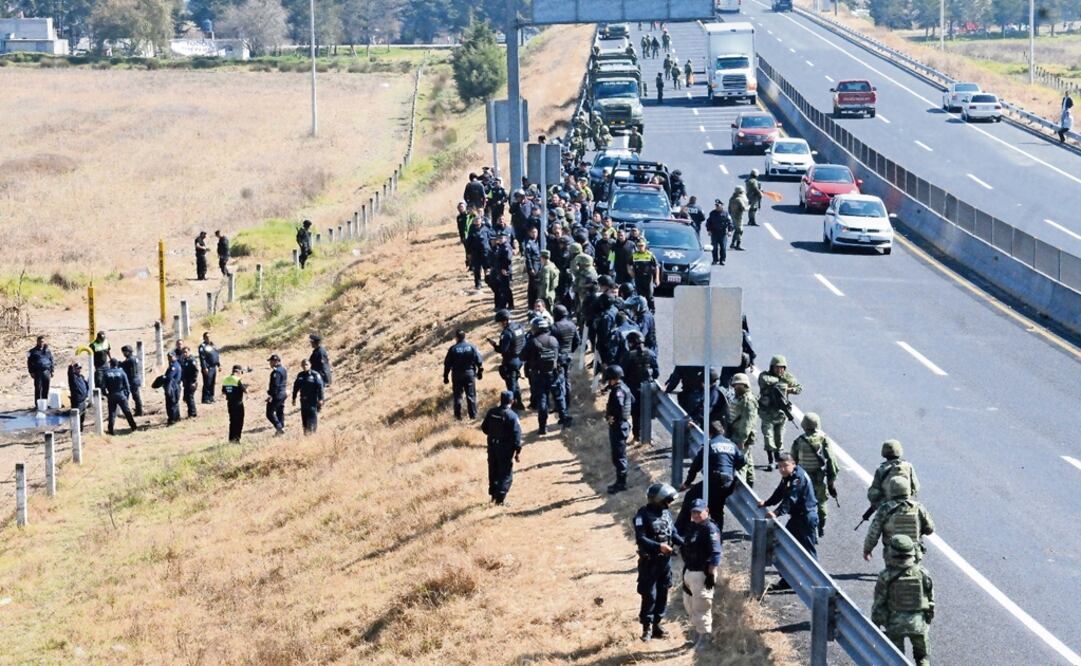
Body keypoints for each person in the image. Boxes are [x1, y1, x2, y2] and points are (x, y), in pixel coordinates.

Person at [758, 453, 819, 589]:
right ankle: (787, 580)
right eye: (779, 466)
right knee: (785, 545)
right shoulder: (788, 477)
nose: (782, 469)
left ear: (793, 464)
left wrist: (776, 513)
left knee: (808, 551)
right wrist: (767, 502)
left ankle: (817, 583)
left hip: (806, 517)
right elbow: (779, 492)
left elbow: (791, 498)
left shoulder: (798, 478)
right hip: (797, 517)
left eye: (785, 466)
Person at [872, 535, 935, 666]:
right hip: (918, 623)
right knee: (923, 657)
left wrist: (876, 625)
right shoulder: (922, 573)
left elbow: (878, 604)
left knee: (897, 658)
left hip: (895, 625)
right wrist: (928, 618)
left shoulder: (886, 575)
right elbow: (930, 599)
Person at [676, 420, 745, 534]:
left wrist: (687, 483)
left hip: (714, 482)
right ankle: (717, 539)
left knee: (690, 497)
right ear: (722, 431)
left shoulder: (709, 445)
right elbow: (742, 461)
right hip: (728, 484)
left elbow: (695, 466)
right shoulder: (732, 445)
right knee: (717, 509)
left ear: (709, 433)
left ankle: (680, 532)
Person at [633, 483, 682, 642]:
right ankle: (646, 628)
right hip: (649, 563)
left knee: (663, 592)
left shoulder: (665, 513)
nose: (669, 504)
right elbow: (641, 538)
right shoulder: (642, 515)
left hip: (664, 563)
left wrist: (685, 543)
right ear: (658, 500)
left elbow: (672, 533)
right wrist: (658, 547)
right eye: (666, 501)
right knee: (650, 595)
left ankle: (657, 626)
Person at [680, 498, 722, 652]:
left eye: (699, 511)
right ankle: (698, 636)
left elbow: (716, 553)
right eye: (693, 512)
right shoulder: (693, 526)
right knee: (690, 605)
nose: (696, 515)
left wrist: (711, 574)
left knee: (702, 606)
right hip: (690, 571)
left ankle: (705, 640)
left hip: (702, 574)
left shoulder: (710, 529)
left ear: (707, 511)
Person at [864, 477, 935, 563]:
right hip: (913, 553)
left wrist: (867, 550)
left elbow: (874, 533)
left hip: (892, 554)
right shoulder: (918, 508)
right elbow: (930, 529)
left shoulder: (885, 509)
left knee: (887, 575)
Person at [790, 412, 839, 536]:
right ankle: (821, 526)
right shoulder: (823, 439)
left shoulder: (799, 440)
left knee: (802, 502)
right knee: (821, 502)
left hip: (803, 478)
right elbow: (831, 461)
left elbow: (792, 461)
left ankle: (804, 526)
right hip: (819, 478)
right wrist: (831, 481)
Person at [523, 317, 569, 434]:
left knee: (542, 401)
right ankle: (564, 419)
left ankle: (543, 427)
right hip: (553, 374)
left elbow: (522, 357)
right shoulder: (553, 340)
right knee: (559, 397)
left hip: (538, 376)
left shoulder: (532, 342)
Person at [758, 355, 802, 470]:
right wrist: (782, 385)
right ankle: (770, 461)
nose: (779, 370)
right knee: (768, 436)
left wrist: (788, 389)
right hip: (767, 412)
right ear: (772, 367)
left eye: (782, 367)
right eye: (776, 367)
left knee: (779, 438)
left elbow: (799, 388)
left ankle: (779, 460)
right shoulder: (764, 376)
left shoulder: (787, 377)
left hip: (781, 413)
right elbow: (765, 381)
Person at [481, 390, 522, 505]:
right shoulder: (512, 416)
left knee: (493, 470)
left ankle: (494, 495)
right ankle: (500, 499)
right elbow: (516, 435)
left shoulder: (492, 412)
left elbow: (484, 428)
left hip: (492, 446)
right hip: (505, 449)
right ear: (512, 401)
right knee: (506, 474)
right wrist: (517, 451)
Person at [620, 330, 658, 442]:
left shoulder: (629, 356)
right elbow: (656, 372)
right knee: (646, 412)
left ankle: (637, 436)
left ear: (631, 343)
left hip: (633, 389)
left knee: (635, 414)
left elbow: (623, 372)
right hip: (648, 388)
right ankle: (647, 436)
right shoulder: (651, 354)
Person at [867, 439, 920, 512]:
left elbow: (874, 494)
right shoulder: (908, 466)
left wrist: (877, 503)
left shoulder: (881, 469)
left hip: (887, 507)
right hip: (906, 505)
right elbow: (915, 487)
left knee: (878, 522)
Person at [604, 364, 634, 494]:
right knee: (617, 455)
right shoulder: (624, 387)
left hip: (619, 427)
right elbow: (632, 400)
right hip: (622, 425)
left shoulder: (618, 391)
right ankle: (619, 481)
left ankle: (621, 483)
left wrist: (612, 418)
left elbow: (620, 407)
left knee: (619, 456)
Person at [490, 310, 526, 410]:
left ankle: (514, 405)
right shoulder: (519, 327)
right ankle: (519, 402)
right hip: (519, 359)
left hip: (510, 361)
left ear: (504, 321)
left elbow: (502, 349)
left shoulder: (506, 333)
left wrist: (494, 345)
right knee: (515, 381)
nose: (500, 325)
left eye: (500, 322)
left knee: (511, 384)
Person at [443, 329, 484, 420]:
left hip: (457, 374)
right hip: (469, 373)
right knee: (471, 395)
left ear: (456, 338)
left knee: (457, 396)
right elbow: (479, 361)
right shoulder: (472, 347)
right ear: (465, 336)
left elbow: (447, 365)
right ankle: (473, 416)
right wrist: (480, 372)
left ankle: (458, 417)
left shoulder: (453, 349)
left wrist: (445, 377)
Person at [726, 373, 758, 487]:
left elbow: (747, 423)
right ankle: (750, 482)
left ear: (746, 385)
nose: (737, 387)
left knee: (740, 464)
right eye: (735, 385)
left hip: (741, 437)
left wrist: (741, 440)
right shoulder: (738, 397)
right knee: (747, 460)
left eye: (740, 385)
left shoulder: (748, 401)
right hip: (735, 433)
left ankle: (741, 486)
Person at [550, 304, 580, 401]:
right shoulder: (572, 325)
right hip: (568, 355)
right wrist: (570, 350)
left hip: (558, 357)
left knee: (559, 381)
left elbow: (551, 343)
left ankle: (562, 402)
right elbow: (577, 341)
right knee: (567, 379)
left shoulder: (554, 327)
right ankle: (568, 400)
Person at [101, 359, 138, 435]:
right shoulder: (122, 372)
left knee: (112, 413)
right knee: (127, 412)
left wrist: (106, 395)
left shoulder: (106, 373)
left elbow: (103, 387)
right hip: (121, 395)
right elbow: (127, 385)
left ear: (110, 364)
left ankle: (110, 430)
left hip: (111, 395)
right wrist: (126, 395)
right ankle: (133, 427)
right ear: (117, 364)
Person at [292, 358, 325, 434]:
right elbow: (296, 387)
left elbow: (320, 387)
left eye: (306, 364)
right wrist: (294, 398)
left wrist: (321, 399)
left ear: (310, 365)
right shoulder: (300, 375)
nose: (304, 366)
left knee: (312, 419)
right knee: (305, 419)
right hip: (303, 401)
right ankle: (306, 434)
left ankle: (313, 434)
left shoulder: (315, 375)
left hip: (313, 400)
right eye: (303, 365)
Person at [630, 238, 659, 313]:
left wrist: (657, 278)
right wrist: (631, 273)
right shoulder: (634, 255)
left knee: (649, 296)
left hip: (648, 278)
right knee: (640, 296)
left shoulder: (650, 254)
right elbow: (628, 265)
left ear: (645, 245)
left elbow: (656, 266)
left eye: (642, 245)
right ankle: (641, 310)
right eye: (639, 246)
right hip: (638, 278)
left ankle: (652, 310)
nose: (640, 247)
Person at [220, 365, 247, 442]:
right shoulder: (237, 380)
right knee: (239, 421)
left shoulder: (225, 379)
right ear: (238, 371)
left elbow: (223, 391)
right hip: (238, 403)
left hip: (230, 403)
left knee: (232, 421)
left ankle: (231, 439)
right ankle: (237, 439)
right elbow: (245, 390)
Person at [465, 213, 491, 290]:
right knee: (477, 269)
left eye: (478, 219)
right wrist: (468, 253)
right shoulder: (471, 230)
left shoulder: (486, 229)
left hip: (485, 252)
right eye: (475, 220)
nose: (477, 221)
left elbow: (490, 239)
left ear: (481, 220)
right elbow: (468, 243)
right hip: (475, 253)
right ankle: (478, 284)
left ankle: (489, 281)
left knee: (487, 267)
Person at [27, 335, 54, 405]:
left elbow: (51, 360)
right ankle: (37, 404)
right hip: (38, 372)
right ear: (37, 342)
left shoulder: (47, 350)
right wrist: (31, 372)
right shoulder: (32, 351)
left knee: (46, 388)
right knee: (38, 389)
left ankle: (44, 404)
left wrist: (52, 370)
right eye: (40, 341)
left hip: (47, 371)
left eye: (42, 341)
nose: (41, 343)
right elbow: (29, 362)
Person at [266, 354, 287, 435]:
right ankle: (281, 427)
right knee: (279, 411)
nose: (270, 363)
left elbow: (275, 385)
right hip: (283, 394)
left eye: (271, 361)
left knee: (269, 413)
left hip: (277, 395)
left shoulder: (276, 372)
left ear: (275, 361)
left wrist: (271, 396)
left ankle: (279, 428)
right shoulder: (283, 369)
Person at [119, 345, 144, 417]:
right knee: (136, 396)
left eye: (124, 352)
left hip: (132, 381)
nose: (123, 354)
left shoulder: (129, 360)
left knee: (134, 396)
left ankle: (138, 412)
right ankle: (138, 411)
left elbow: (122, 365)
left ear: (128, 352)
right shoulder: (134, 358)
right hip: (136, 379)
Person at [705, 199, 731, 265]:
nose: (717, 207)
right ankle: (715, 260)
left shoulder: (726, 213)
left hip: (723, 233)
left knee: (723, 247)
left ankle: (722, 260)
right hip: (714, 233)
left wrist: (730, 231)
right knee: (714, 247)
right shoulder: (712, 213)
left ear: (722, 206)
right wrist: (709, 230)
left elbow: (730, 223)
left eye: (718, 205)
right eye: (716, 205)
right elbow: (708, 223)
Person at [198, 332, 220, 405]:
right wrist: (204, 367)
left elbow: (216, 355)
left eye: (209, 337)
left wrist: (219, 364)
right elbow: (202, 358)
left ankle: (211, 397)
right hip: (208, 368)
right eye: (206, 337)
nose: (208, 338)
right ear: (204, 338)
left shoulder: (213, 345)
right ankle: (205, 398)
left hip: (213, 367)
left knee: (212, 383)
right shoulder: (202, 346)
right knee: (207, 383)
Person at [523, 226, 542, 308]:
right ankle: (531, 305)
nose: (535, 234)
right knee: (533, 286)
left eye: (536, 232)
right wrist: (530, 268)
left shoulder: (537, 242)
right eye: (533, 232)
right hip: (534, 266)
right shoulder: (529, 244)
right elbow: (528, 257)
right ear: (529, 233)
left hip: (538, 265)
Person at [162, 351, 182, 425]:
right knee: (174, 403)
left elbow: (169, 377)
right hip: (174, 386)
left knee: (171, 404)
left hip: (173, 387)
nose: (169, 358)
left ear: (175, 357)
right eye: (168, 357)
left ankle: (173, 419)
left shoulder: (174, 366)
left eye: (171, 357)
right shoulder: (173, 365)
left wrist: (163, 378)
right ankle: (176, 418)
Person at [68, 362, 89, 428]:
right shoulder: (73, 378)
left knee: (82, 418)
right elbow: (70, 373)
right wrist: (70, 367)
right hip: (77, 401)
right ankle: (75, 431)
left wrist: (86, 395)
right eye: (77, 368)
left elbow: (86, 386)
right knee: (77, 417)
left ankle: (81, 429)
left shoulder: (81, 377)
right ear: (74, 369)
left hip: (83, 401)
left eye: (80, 368)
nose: (79, 370)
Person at [728, 186, 748, 250]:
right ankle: (737, 245)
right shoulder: (739, 199)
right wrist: (749, 207)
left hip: (733, 216)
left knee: (737, 230)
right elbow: (743, 208)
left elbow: (729, 208)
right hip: (738, 216)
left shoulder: (732, 198)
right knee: (739, 230)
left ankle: (733, 244)